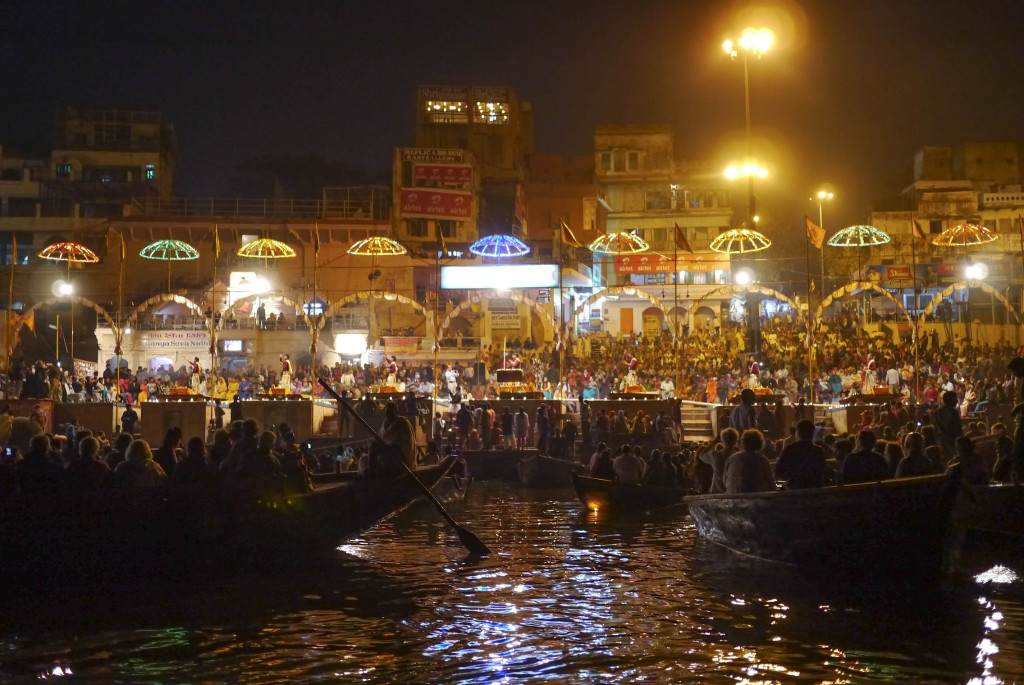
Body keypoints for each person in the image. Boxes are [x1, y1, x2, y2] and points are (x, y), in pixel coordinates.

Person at [775, 419, 830, 489]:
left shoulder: (790, 449)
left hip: (794, 491)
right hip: (814, 491)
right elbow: (822, 471)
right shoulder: (818, 451)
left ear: (797, 433)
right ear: (813, 433)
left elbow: (779, 471)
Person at [723, 429, 776, 494]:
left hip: (731, 498)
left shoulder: (732, 458)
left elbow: (725, 480)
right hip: (754, 500)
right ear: (760, 443)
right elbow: (771, 485)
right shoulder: (761, 459)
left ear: (743, 442)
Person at [379, 401, 415, 470]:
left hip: (402, 457)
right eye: (387, 412)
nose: (389, 414)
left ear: (396, 412)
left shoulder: (403, 422)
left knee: (389, 449)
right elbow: (381, 438)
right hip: (388, 453)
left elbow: (406, 443)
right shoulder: (384, 424)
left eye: (391, 412)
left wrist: (389, 445)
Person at [931, 390, 963, 461]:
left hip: (940, 442)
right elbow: (958, 429)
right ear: (950, 400)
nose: (956, 401)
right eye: (955, 399)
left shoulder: (937, 412)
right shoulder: (953, 412)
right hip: (952, 442)